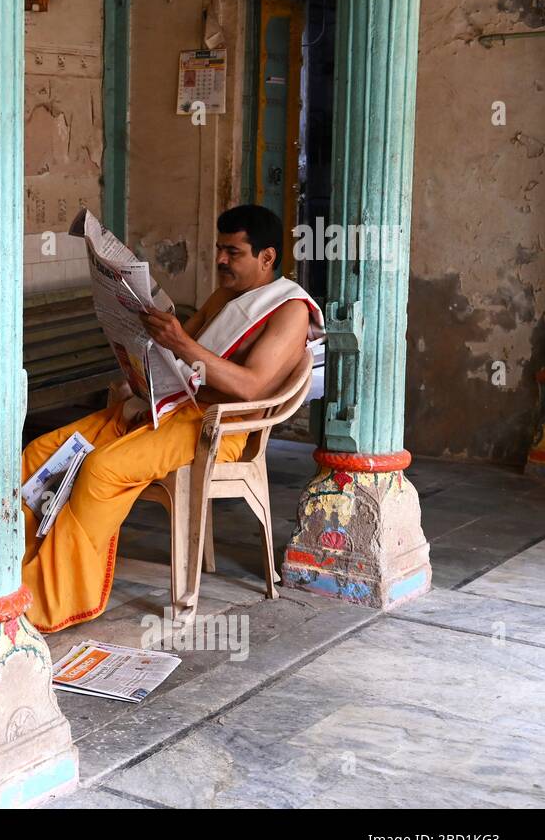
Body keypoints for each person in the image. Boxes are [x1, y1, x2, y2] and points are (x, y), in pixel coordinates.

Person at [20, 205, 323, 632]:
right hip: (170, 405)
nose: (220, 260)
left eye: (233, 252)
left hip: (217, 428)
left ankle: (53, 600)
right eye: (219, 249)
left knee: (102, 469)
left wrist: (180, 343)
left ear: (267, 258)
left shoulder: (289, 310)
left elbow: (252, 386)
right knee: (41, 453)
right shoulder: (224, 296)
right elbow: (182, 346)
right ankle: (13, 571)